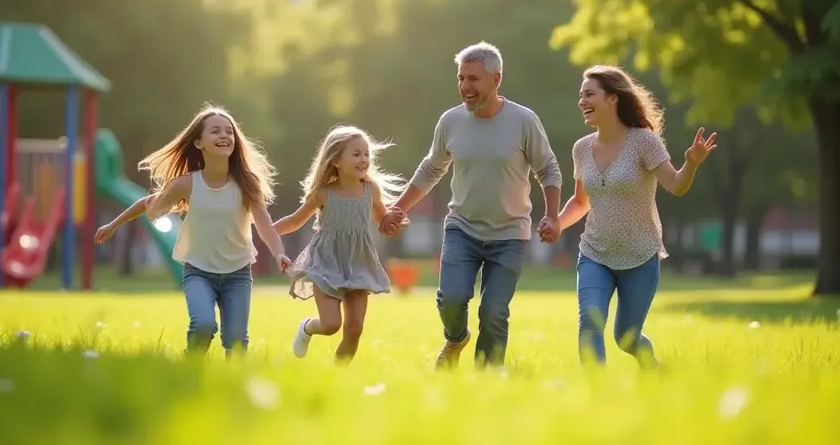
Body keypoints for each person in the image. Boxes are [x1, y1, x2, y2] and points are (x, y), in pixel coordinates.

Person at [379, 41, 563, 369]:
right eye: (461, 78)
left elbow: (547, 168)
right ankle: (456, 338)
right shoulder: (450, 121)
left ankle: (487, 377)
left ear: (496, 80)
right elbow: (431, 168)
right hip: (462, 228)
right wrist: (399, 208)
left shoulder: (523, 120)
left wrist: (552, 216)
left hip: (510, 234)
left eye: (473, 79)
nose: (465, 86)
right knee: (450, 299)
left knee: (493, 310)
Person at [96, 105, 291, 356]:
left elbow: (264, 225)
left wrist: (278, 253)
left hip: (238, 275)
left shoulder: (246, 183)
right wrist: (113, 225)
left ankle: (232, 386)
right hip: (199, 272)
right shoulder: (187, 184)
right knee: (202, 324)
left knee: (235, 342)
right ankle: (192, 365)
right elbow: (147, 203)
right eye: (215, 131)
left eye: (229, 131)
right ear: (198, 142)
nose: (224, 136)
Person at [557, 65, 716, 368]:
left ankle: (653, 367)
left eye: (589, 94)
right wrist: (556, 224)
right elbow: (580, 202)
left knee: (627, 337)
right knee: (590, 324)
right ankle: (596, 398)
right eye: (581, 95)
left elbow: (676, 185)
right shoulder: (582, 149)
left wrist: (691, 164)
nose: (581, 101)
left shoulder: (644, 142)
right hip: (594, 253)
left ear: (613, 98)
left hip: (640, 255)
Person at [273, 125, 407, 363]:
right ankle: (306, 327)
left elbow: (383, 222)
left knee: (354, 329)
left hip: (358, 263)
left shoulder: (371, 190)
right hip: (325, 264)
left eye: (366, 154)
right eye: (356, 154)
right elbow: (295, 221)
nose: (364, 159)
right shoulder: (323, 194)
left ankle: (338, 376)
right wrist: (268, 232)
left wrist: (394, 223)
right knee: (331, 324)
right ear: (336, 161)